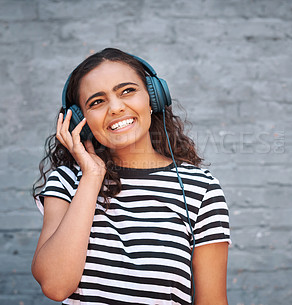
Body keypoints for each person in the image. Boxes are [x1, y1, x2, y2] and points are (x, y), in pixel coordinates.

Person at [31, 48, 231, 305]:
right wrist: (92, 177)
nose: (116, 108)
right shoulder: (67, 181)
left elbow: (212, 301)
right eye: (97, 102)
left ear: (153, 98)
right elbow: (55, 286)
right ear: (80, 121)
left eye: (127, 91)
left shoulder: (201, 189)